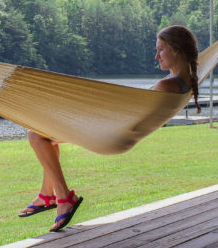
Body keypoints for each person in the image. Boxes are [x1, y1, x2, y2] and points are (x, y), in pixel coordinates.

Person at [18, 24, 201, 231]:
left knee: (35, 134)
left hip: (112, 134)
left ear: (176, 49)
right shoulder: (184, 81)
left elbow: (127, 111)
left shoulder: (166, 85)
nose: (156, 56)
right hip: (117, 132)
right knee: (45, 140)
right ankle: (47, 194)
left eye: (160, 49)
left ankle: (63, 197)